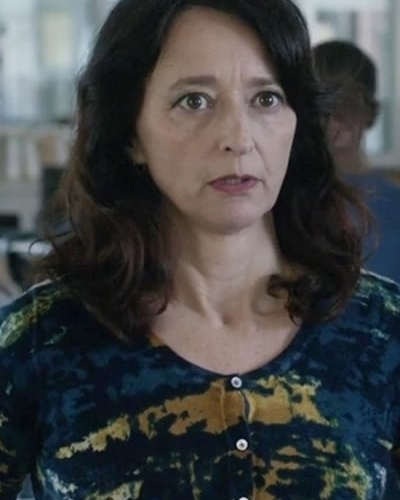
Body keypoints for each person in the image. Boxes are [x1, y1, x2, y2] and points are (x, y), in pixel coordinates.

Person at [0, 1, 399, 499]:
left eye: (266, 99)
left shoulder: (381, 332)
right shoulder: (41, 340)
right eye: (195, 100)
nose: (238, 138)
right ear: (130, 134)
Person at [313, 39, 400, 283]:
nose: (336, 119)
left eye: (347, 104)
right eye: (326, 108)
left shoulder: (394, 205)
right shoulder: (282, 203)